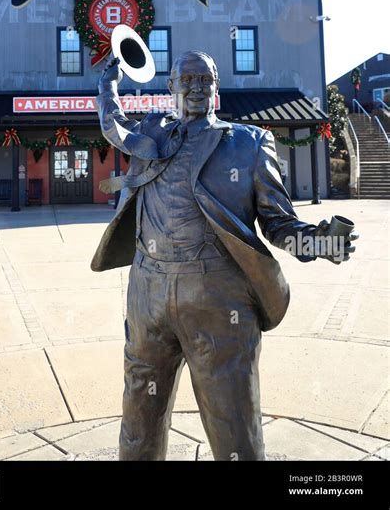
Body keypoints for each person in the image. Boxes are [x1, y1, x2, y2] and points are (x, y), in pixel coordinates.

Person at [91, 50, 358, 461]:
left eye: (205, 81)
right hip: (147, 294)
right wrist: (108, 83)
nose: (197, 88)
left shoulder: (248, 143)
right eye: (188, 80)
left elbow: (278, 222)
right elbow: (113, 125)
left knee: (233, 426)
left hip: (219, 300)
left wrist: (317, 243)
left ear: (216, 88)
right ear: (171, 87)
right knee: (138, 418)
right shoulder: (151, 133)